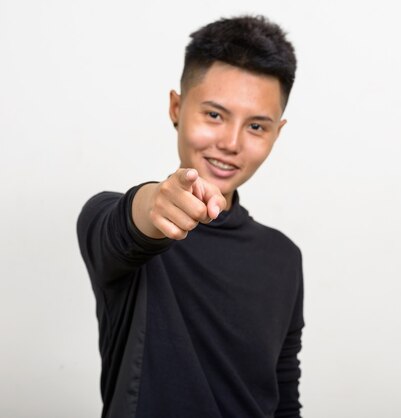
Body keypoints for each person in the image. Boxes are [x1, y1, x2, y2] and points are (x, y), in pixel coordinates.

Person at [77, 15, 304, 418]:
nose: (231, 143)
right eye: (214, 115)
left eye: (256, 126)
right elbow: (130, 224)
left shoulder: (283, 257)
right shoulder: (110, 217)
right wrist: (155, 204)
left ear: (277, 133)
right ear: (177, 108)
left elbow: (284, 395)